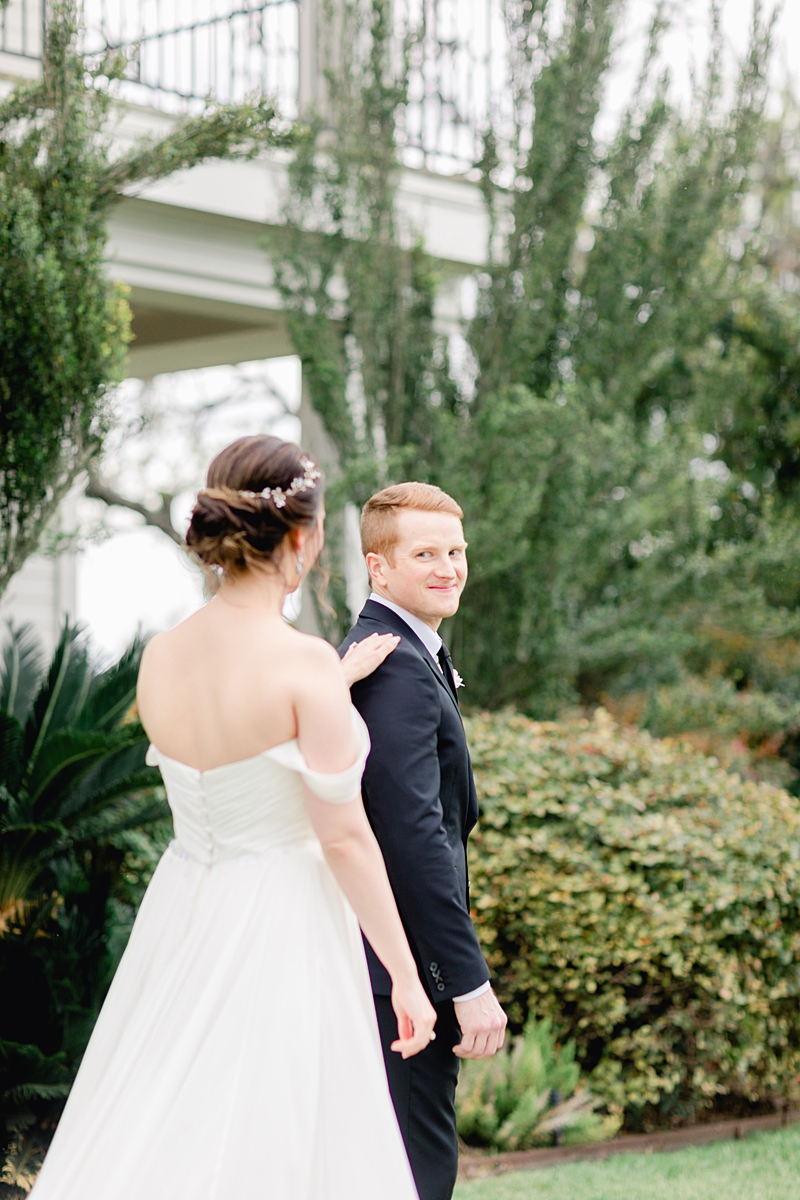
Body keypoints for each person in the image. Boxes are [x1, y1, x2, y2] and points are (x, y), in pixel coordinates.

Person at [31, 436, 436, 1200]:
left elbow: (236, 747)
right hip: (283, 916)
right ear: (302, 538)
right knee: (273, 1127)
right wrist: (406, 975)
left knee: (170, 1112)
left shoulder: (162, 656)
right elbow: (343, 836)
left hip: (184, 907)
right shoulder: (302, 662)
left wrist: (333, 684)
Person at [339, 482, 508, 1200]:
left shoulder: (405, 651)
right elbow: (414, 838)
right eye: (425, 553)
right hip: (399, 975)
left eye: (456, 550)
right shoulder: (395, 668)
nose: (449, 567)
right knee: (417, 1173)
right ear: (379, 568)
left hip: (392, 967)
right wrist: (463, 981)